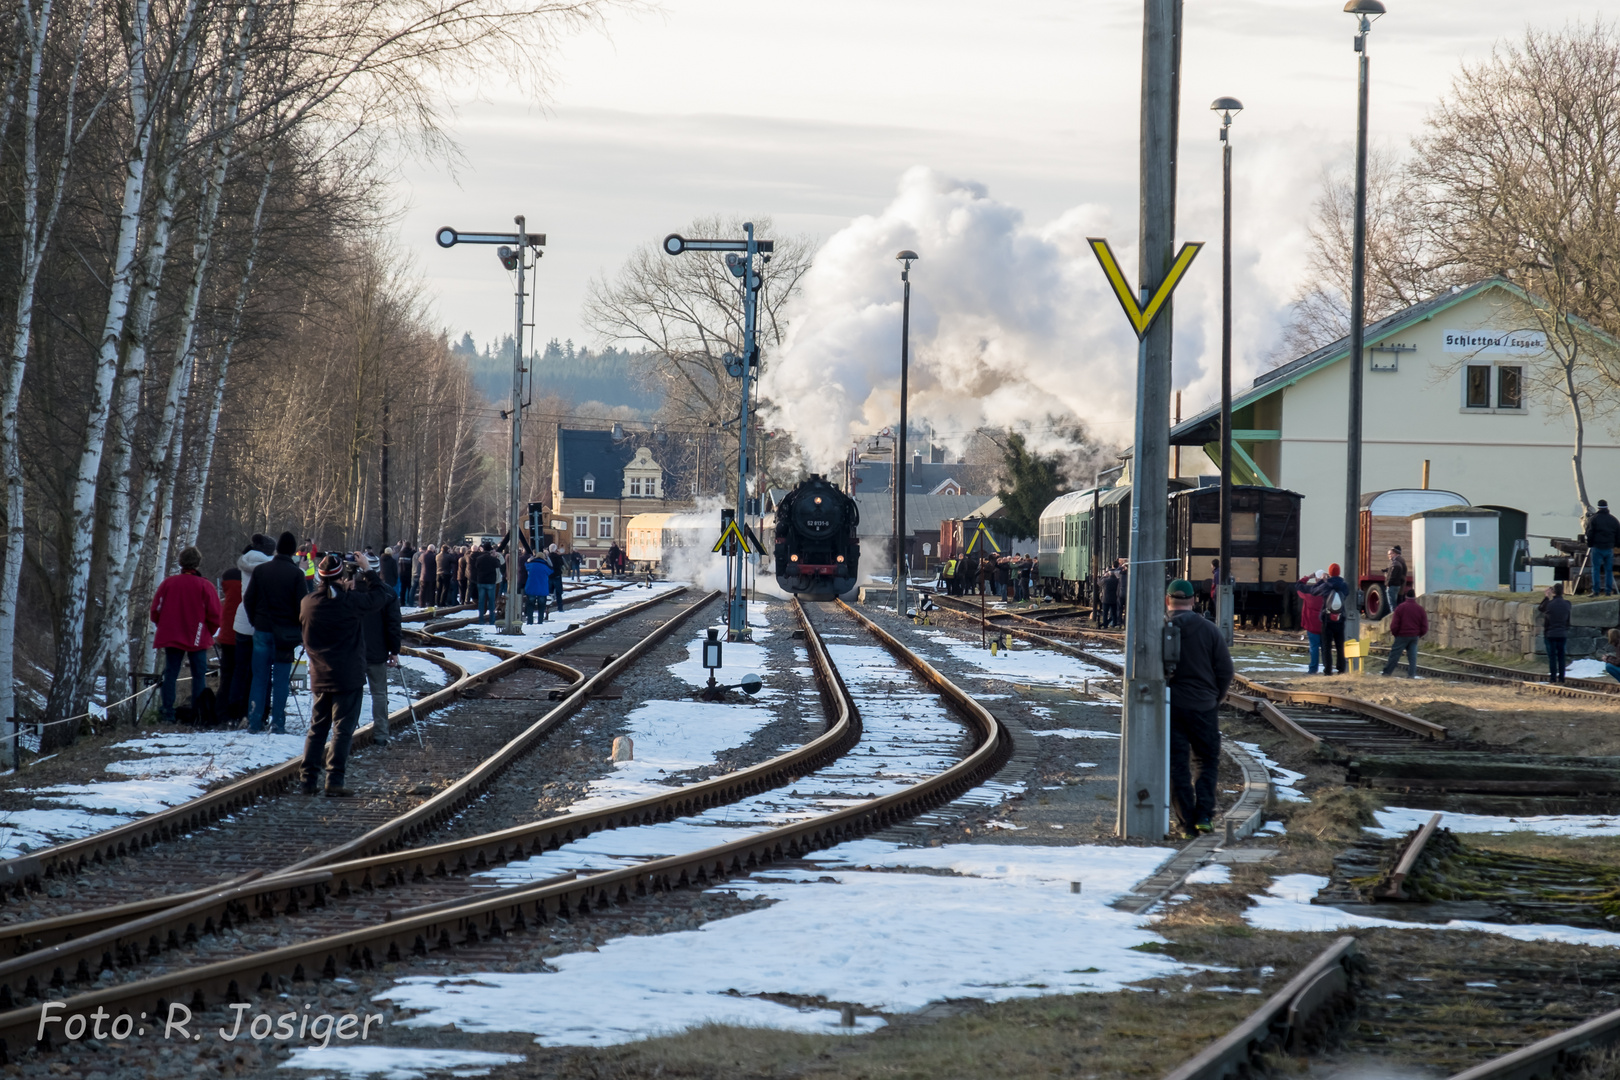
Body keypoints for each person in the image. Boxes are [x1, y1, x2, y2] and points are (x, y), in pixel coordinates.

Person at [301, 554, 391, 796]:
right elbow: (381, 597)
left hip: (319, 674)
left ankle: (308, 779)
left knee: (317, 728)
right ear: (342, 577)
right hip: (348, 675)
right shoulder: (349, 602)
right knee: (342, 729)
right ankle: (334, 780)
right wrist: (367, 570)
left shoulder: (308, 602)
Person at [1165, 579, 1233, 836]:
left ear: (1167, 599)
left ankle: (1185, 824)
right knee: (1206, 760)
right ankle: (1204, 815)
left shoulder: (1161, 627)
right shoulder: (1209, 630)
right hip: (1204, 707)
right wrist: (1215, 697)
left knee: (1177, 765)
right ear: (1194, 601)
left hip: (1171, 706)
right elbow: (1226, 670)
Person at [243, 531, 307, 734]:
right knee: (281, 680)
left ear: (278, 548)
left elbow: (248, 599)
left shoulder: (261, 571)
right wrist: (299, 629)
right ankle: (278, 723)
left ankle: (254, 722)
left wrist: (255, 620)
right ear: (293, 551)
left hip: (262, 629)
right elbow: (303, 607)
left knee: (259, 677)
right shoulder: (297, 574)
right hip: (286, 635)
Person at [149, 546, 222, 724]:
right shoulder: (205, 585)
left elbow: (155, 611)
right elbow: (215, 615)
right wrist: (207, 632)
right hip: (197, 636)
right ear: (198, 563)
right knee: (198, 675)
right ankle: (197, 714)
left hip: (172, 635)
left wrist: (164, 626)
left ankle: (167, 712)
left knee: (170, 674)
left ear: (181, 563)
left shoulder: (168, 583)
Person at [356, 557, 402, 746]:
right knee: (379, 693)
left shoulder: (350, 592)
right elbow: (393, 624)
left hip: (354, 652)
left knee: (353, 692)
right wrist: (394, 650)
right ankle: (381, 733)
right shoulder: (388, 594)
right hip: (377, 650)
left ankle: (347, 731)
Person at [1310, 563, 1351, 675]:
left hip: (1327, 619)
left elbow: (1313, 591)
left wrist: (1322, 580)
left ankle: (1328, 670)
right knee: (1340, 645)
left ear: (1330, 572)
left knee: (1326, 645)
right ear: (1339, 572)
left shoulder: (1326, 585)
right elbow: (1347, 594)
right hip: (1340, 618)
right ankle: (1341, 668)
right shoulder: (1344, 585)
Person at [1381, 589, 1429, 678]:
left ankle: (1387, 673)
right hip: (1414, 636)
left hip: (1402, 635)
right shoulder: (1420, 609)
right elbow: (1424, 626)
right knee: (1412, 657)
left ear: (1406, 596)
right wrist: (1419, 634)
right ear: (1415, 597)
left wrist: (1396, 634)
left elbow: (1394, 625)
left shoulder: (1400, 608)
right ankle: (1411, 675)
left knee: (1394, 656)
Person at [217, 560, 243, 717]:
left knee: (226, 676)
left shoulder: (226, 595)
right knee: (242, 675)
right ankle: (237, 710)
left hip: (226, 636)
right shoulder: (248, 588)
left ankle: (221, 710)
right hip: (244, 636)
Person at [1539, 582, 1572, 684]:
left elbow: (1540, 608)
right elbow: (1568, 620)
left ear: (1553, 592)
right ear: (1562, 592)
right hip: (1562, 633)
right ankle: (1562, 678)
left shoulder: (1549, 604)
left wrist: (1546, 597)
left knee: (1552, 657)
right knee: (1561, 657)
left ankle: (1553, 678)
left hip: (1550, 634)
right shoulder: (1567, 604)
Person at [1585, 499, 1620, 596]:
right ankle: (1608, 591)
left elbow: (1589, 533)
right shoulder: (1614, 520)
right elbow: (1618, 534)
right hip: (1609, 548)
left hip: (1597, 547)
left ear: (1598, 507)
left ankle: (1596, 591)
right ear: (1607, 507)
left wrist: (1590, 544)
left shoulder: (1594, 519)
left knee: (1595, 569)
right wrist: (1616, 544)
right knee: (1608, 570)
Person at [1297, 570, 1327, 674]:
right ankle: (1327, 669)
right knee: (1325, 648)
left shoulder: (1309, 592)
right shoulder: (1328, 592)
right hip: (1325, 625)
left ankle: (1313, 669)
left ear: (1316, 579)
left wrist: (1308, 577)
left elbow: (1298, 585)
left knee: (1314, 648)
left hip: (1312, 625)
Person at [472, 541, 501, 624]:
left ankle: (481, 620)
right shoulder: (492, 559)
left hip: (481, 581)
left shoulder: (479, 558)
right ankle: (492, 620)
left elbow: (476, 567)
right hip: (491, 582)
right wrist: (495, 557)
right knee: (491, 602)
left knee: (481, 601)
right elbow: (498, 565)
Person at [524, 548, 553, 624]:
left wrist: (531, 558)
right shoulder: (546, 567)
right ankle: (540, 621)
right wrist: (547, 558)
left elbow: (526, 564)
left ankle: (530, 621)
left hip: (531, 588)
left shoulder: (530, 565)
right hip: (542, 589)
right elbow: (551, 569)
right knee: (541, 606)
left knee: (530, 605)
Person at [1381, 546, 1408, 618]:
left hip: (1395, 584)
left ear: (1396, 553)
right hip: (1399, 584)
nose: (1389, 556)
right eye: (1389, 554)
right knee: (1396, 603)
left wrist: (1388, 583)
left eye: (1390, 554)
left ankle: (1395, 619)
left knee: (1393, 604)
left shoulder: (1396, 562)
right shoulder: (1399, 561)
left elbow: (1393, 575)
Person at [1099, 563, 1121, 628]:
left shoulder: (1105, 580)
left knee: (1105, 613)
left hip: (1106, 599)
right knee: (1114, 613)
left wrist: (1104, 576)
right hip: (1114, 599)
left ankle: (1105, 625)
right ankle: (1114, 624)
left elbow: (1099, 583)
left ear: (1109, 573)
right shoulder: (1117, 580)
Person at [417, 544, 438, 608]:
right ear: (433, 549)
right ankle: (431, 603)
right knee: (431, 591)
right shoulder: (434, 556)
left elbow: (420, 561)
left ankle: (421, 603)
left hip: (423, 576)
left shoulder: (422, 555)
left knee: (422, 590)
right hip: (432, 576)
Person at [549, 544, 568, 612]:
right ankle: (560, 608)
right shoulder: (558, 556)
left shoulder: (548, 557)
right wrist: (559, 555)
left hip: (549, 576)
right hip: (557, 576)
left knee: (548, 592)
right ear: (556, 549)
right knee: (558, 593)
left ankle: (547, 608)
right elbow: (562, 564)